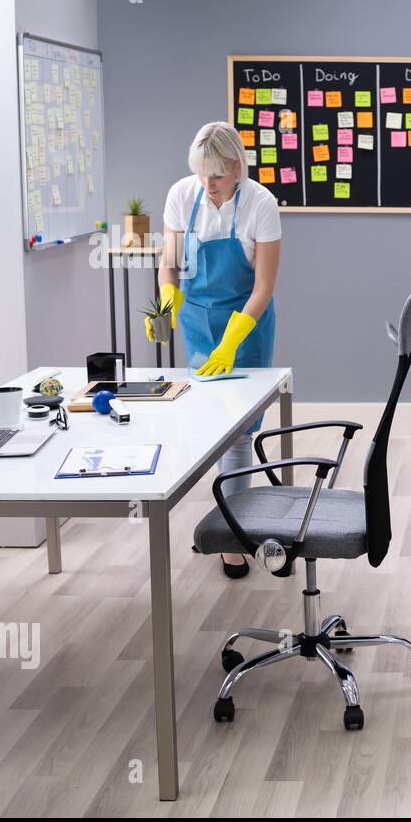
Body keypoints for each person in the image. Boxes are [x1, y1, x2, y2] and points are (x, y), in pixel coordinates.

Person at [154, 122, 281, 579]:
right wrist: (166, 303)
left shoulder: (261, 205)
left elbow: (263, 286)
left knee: (240, 430)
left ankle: (232, 536)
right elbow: (168, 266)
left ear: (237, 167)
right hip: (196, 322)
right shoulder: (180, 196)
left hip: (245, 323)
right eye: (202, 174)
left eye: (218, 176)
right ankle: (221, 522)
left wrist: (232, 340)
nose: (208, 184)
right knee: (206, 422)